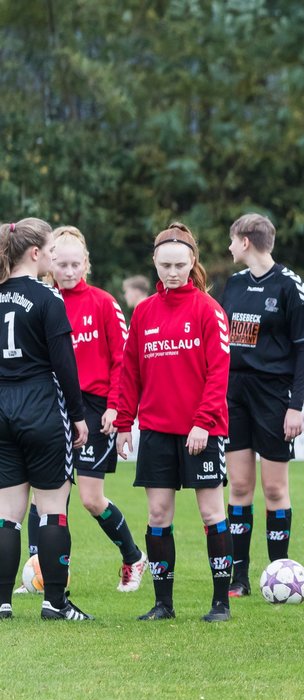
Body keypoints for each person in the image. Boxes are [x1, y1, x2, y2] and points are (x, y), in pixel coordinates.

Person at [112, 223, 233, 622]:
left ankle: (221, 603)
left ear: (192, 262)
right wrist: (124, 421)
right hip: (157, 431)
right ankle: (163, 604)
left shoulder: (208, 310)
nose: (173, 272)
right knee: (159, 515)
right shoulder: (144, 311)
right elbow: (130, 372)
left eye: (180, 264)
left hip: (202, 430)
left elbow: (219, 373)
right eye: (165, 265)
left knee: (212, 514)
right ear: (154, 263)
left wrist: (203, 422)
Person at [218, 213, 304, 598]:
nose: (228, 247)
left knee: (275, 488)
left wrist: (295, 406)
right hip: (235, 393)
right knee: (240, 485)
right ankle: (239, 578)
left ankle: (281, 573)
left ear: (245, 241)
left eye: (232, 240)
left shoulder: (289, 284)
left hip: (274, 396)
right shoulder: (233, 284)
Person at [42, 226, 147, 592]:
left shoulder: (104, 303)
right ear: (49, 264)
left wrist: (116, 409)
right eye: (62, 265)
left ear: (86, 263)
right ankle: (43, 573)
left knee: (89, 498)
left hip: (94, 407)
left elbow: (124, 360)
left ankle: (133, 556)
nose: (69, 272)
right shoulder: (44, 300)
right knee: (49, 493)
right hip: (51, 403)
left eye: (75, 264)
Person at [0, 218, 91, 621]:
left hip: (2, 406)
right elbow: (65, 365)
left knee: (7, 514)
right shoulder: (49, 299)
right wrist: (79, 415)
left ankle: (2, 603)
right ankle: (55, 603)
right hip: (41, 405)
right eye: (52, 251)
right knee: (52, 509)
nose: (55, 258)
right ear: (35, 253)